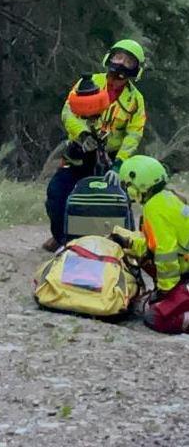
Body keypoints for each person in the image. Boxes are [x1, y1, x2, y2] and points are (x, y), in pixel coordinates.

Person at [43, 40, 147, 252]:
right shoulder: (88, 83)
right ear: (110, 57)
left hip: (113, 158)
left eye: (128, 61)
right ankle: (62, 238)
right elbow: (67, 112)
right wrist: (82, 134)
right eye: (118, 57)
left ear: (136, 68)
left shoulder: (136, 100)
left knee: (121, 200)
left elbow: (134, 133)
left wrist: (120, 165)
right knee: (56, 194)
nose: (122, 63)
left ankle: (124, 246)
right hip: (80, 151)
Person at [112, 155, 189, 334]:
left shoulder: (155, 208)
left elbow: (166, 253)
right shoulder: (167, 198)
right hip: (183, 273)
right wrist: (129, 243)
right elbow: (152, 246)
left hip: (182, 277)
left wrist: (165, 291)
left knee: (156, 317)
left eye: (127, 185)